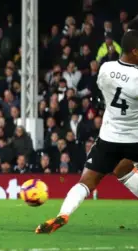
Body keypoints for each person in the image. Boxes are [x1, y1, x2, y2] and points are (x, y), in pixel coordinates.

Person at [36, 28, 138, 234]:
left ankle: (63, 214)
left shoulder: (106, 69)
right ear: (135, 51)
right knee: (123, 170)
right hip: (135, 139)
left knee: (87, 182)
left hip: (109, 139)